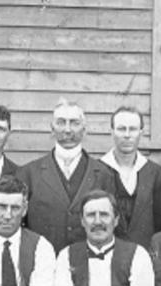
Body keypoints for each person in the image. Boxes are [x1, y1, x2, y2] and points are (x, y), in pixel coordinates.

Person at [17, 98, 115, 253]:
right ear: (52, 128)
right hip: (44, 263)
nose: (68, 130)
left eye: (74, 123)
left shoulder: (104, 174)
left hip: (88, 262)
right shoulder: (29, 173)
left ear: (84, 129)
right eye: (61, 122)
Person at [101, 106, 161, 247]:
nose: (127, 135)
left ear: (141, 132)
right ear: (111, 132)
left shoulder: (155, 172)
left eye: (132, 129)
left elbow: (160, 220)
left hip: (145, 254)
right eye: (121, 129)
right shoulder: (97, 170)